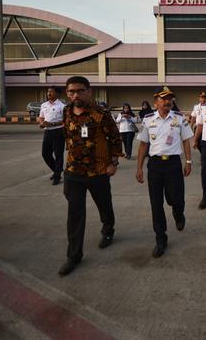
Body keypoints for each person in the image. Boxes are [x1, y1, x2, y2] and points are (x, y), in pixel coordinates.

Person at [58, 76, 122, 276]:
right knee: (75, 215)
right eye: (71, 91)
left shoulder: (100, 114)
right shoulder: (66, 111)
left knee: (104, 205)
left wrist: (113, 163)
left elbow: (115, 138)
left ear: (89, 91)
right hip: (73, 172)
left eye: (79, 91)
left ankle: (108, 229)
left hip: (98, 172)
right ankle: (74, 255)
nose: (75, 95)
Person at [136, 86, 193, 258]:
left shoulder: (179, 119)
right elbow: (143, 144)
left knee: (176, 198)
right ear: (156, 102)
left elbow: (186, 141)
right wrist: (139, 167)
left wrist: (188, 161)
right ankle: (161, 239)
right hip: (154, 165)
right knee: (156, 204)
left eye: (170, 99)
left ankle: (178, 213)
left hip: (173, 164)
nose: (167, 101)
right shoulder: (147, 120)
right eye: (163, 99)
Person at [37, 86, 66, 185]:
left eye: (51, 92)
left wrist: (53, 124)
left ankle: (57, 176)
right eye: (48, 92)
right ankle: (57, 170)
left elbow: (65, 121)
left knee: (58, 154)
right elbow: (41, 117)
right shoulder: (44, 105)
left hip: (58, 132)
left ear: (57, 94)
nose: (49, 94)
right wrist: (41, 123)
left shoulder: (62, 106)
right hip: (47, 132)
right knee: (45, 154)